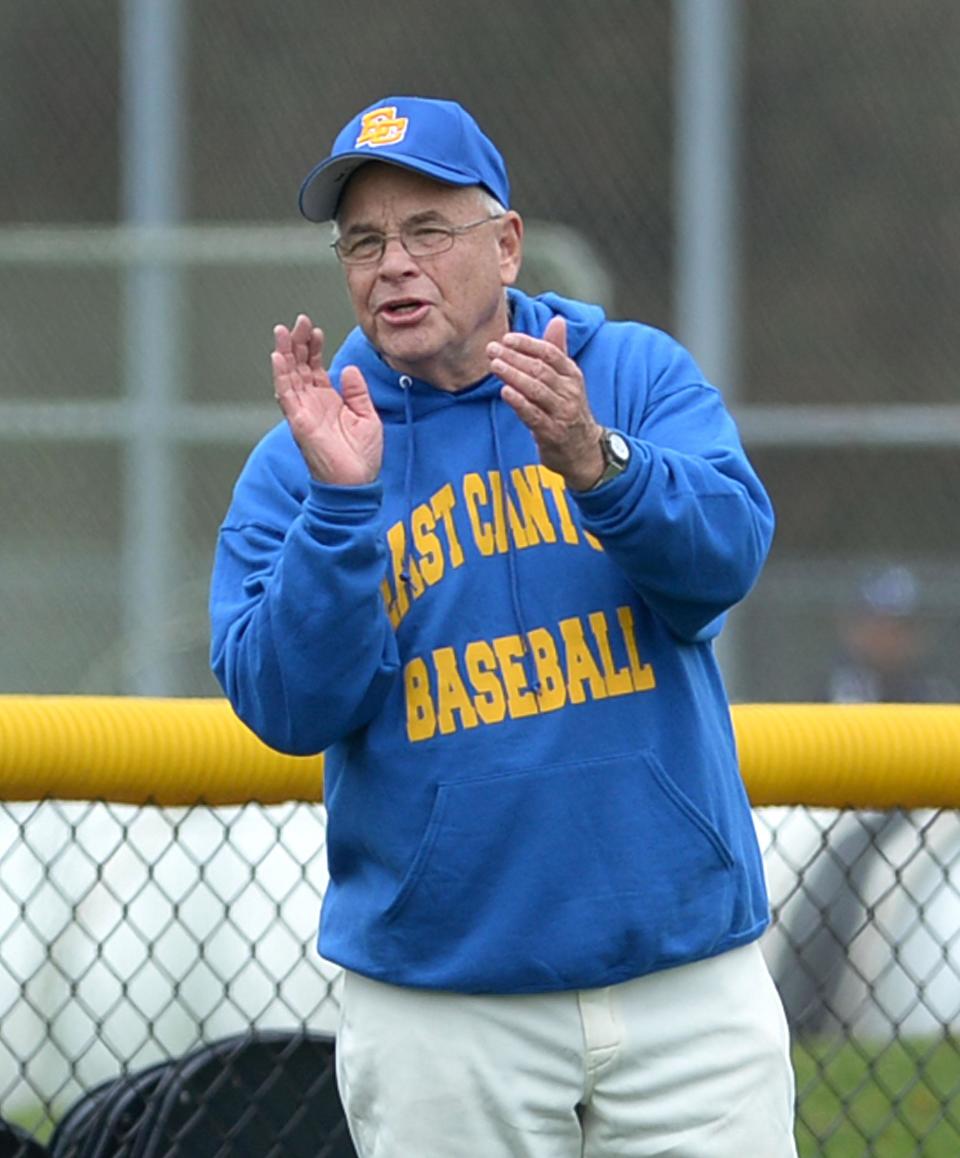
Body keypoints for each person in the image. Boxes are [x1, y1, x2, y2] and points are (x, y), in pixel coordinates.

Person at [210, 95, 796, 1157]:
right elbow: (287, 706)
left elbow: (726, 562)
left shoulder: (629, 376)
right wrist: (342, 511)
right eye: (365, 241)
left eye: (428, 230)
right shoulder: (307, 451)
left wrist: (598, 461)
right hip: (445, 1001)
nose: (394, 264)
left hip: (685, 979)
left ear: (508, 244)